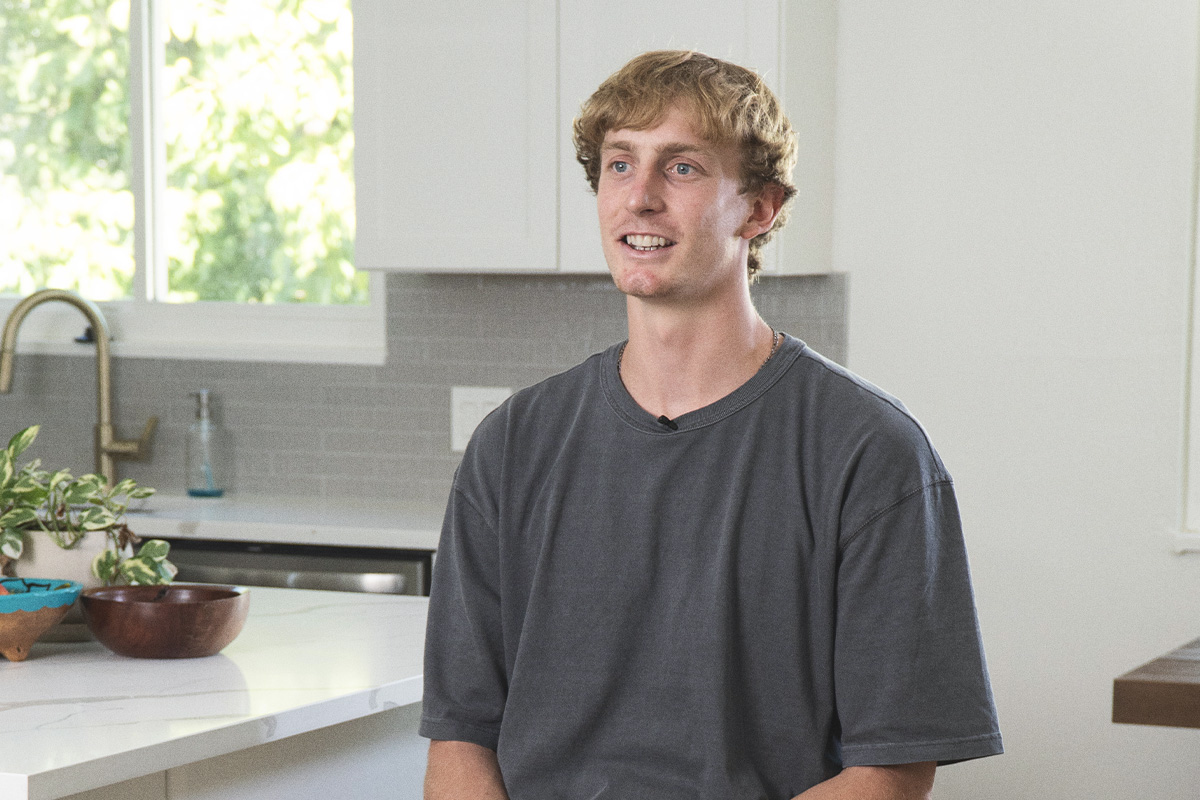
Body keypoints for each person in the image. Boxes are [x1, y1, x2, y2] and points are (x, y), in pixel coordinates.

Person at [420, 50, 1002, 799]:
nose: (639, 198)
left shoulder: (869, 451)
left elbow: (890, 773)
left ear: (759, 209)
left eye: (683, 168)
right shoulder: (514, 444)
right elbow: (460, 736)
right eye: (619, 165)